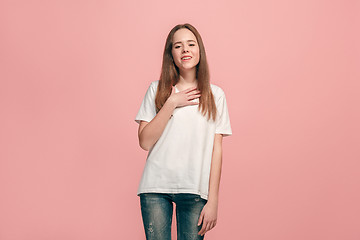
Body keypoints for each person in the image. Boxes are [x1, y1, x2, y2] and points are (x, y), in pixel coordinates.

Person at [134, 23, 232, 240]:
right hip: (155, 188)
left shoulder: (216, 95)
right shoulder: (156, 90)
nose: (185, 50)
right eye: (178, 46)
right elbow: (145, 142)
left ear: (200, 50)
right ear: (171, 54)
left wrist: (213, 200)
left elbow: (217, 150)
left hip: (195, 190)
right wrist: (171, 103)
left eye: (191, 44)